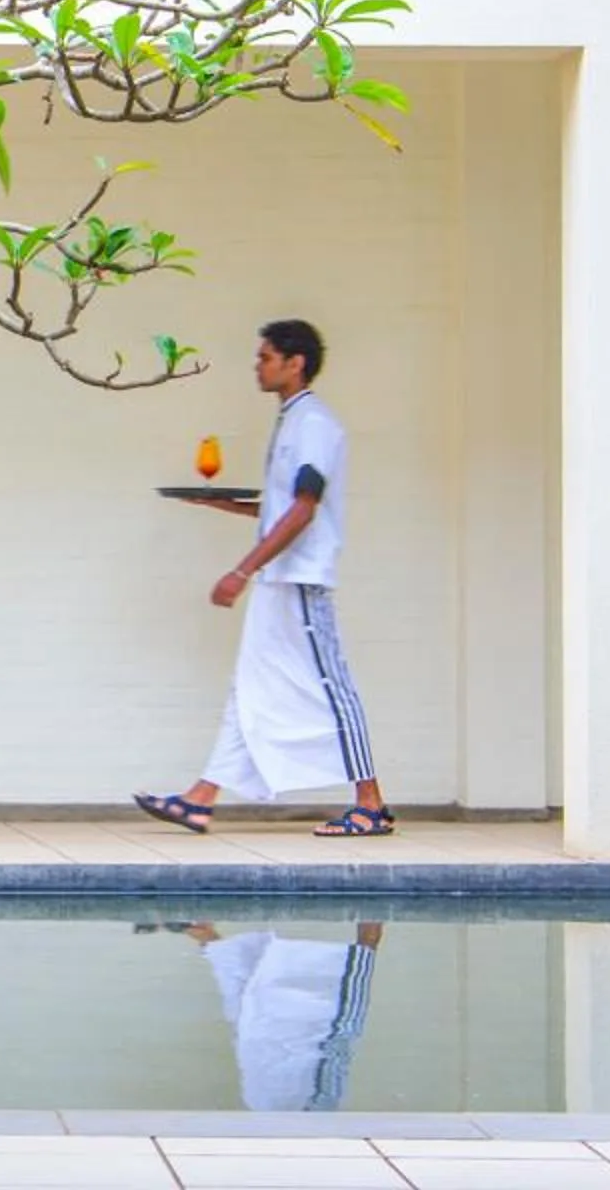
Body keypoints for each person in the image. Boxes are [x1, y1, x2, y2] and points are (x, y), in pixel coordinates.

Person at [136, 319, 393, 837]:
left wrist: (241, 570)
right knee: (250, 687)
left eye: (265, 357)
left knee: (331, 684)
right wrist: (217, 502)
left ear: (294, 363)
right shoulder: (292, 420)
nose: (258, 365)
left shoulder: (314, 423)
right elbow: (280, 507)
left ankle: (371, 804)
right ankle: (200, 798)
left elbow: (304, 509)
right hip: (279, 579)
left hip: (301, 580)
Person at [147, 920, 386, 1112]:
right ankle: (207, 937)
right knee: (313, 1036)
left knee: (258, 1025)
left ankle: (207, 937)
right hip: (300, 1094)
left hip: (280, 1093)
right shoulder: (318, 1102)